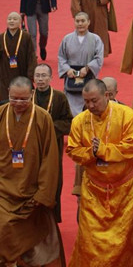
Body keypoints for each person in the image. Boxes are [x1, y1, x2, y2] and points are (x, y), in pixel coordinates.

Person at [66, 78, 133, 266]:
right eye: (86, 101)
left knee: (125, 243)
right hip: (94, 190)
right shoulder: (80, 121)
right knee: (90, 241)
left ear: (107, 95)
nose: (90, 106)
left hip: (125, 191)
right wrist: (92, 153)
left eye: (94, 100)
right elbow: (72, 150)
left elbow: (132, 147)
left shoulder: (128, 116)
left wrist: (103, 150)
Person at [0, 76, 62, 267]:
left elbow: (50, 158)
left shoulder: (43, 118)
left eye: (23, 99)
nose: (18, 103)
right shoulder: (1, 114)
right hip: (3, 189)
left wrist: (43, 193)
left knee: (35, 230)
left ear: (32, 94)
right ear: (8, 94)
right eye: (14, 98)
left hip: (31, 189)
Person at [33, 62, 73, 222]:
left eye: (44, 76)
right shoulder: (28, 97)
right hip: (32, 147)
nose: (40, 79)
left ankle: (52, 220)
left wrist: (49, 127)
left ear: (50, 78)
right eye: (37, 76)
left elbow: (69, 123)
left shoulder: (59, 97)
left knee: (53, 181)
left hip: (53, 147)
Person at [57, 12, 105, 115]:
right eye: (77, 21)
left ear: (88, 22)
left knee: (89, 104)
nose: (80, 24)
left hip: (88, 75)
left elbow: (99, 58)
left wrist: (87, 68)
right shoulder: (67, 39)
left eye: (83, 21)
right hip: (71, 76)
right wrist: (67, 70)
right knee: (70, 108)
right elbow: (61, 57)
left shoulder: (95, 39)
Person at [0, 11, 36, 101]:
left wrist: (30, 76)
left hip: (22, 73)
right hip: (4, 75)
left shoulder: (26, 37)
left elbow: (31, 56)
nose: (11, 21)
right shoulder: (1, 37)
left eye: (15, 19)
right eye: (9, 19)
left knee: (21, 100)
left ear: (20, 22)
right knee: (4, 100)